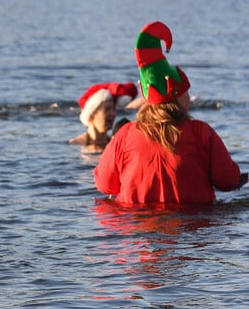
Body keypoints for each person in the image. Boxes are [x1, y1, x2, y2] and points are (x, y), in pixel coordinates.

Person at [94, 21, 246, 205]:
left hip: (136, 228)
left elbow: (105, 185)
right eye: (186, 93)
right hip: (194, 226)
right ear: (176, 96)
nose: (189, 99)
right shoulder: (200, 132)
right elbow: (227, 181)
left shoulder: (124, 135)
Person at [69, 82, 137, 152]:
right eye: (107, 109)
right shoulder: (77, 144)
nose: (113, 114)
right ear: (91, 115)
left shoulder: (114, 142)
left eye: (113, 109)